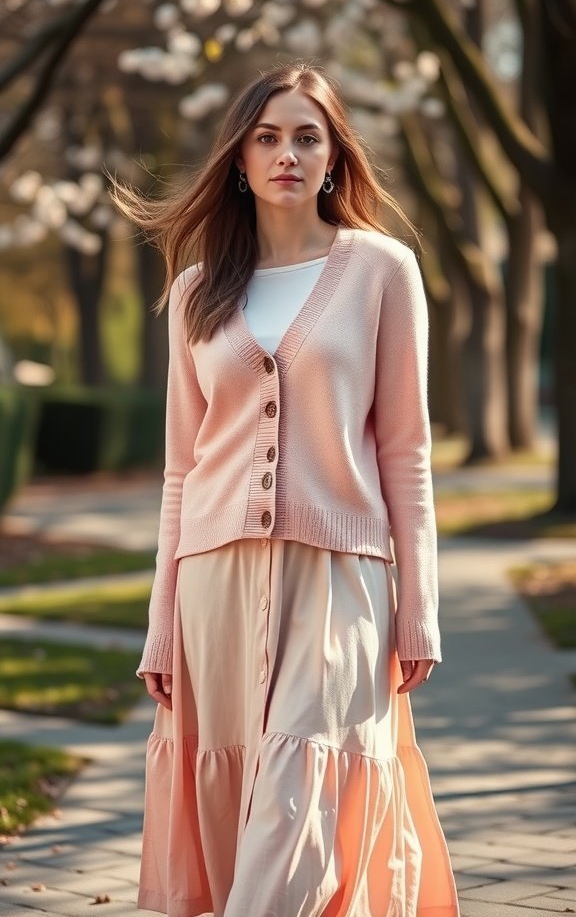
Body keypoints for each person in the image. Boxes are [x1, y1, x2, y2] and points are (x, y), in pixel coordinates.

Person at [112, 62, 460, 917]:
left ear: (336, 155)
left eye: (308, 136)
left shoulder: (383, 271)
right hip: (214, 578)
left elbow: (406, 452)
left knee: (303, 787)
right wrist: (162, 624)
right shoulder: (195, 292)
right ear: (239, 157)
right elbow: (181, 470)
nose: (287, 154)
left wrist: (419, 605)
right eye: (267, 137)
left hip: (342, 575)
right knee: (237, 807)